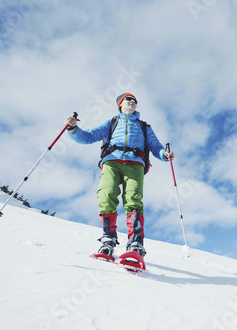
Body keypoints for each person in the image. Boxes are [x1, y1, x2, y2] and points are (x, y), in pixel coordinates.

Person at [63, 92, 174, 258]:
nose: (132, 102)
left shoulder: (144, 126)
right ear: (120, 104)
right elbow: (88, 136)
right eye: (128, 99)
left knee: (133, 200)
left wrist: (164, 155)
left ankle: (136, 245)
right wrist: (73, 128)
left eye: (135, 100)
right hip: (111, 162)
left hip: (135, 164)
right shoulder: (112, 122)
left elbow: (155, 146)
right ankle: (108, 240)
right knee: (106, 195)